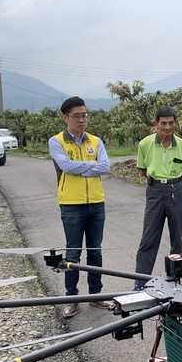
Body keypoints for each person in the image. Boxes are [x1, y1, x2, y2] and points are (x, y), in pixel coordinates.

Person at [49, 96, 111, 318]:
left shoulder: (95, 140)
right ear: (66, 118)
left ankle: (96, 294)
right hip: (71, 204)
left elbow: (105, 167)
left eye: (84, 115)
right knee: (73, 252)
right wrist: (90, 166)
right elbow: (65, 166)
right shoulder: (56, 141)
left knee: (95, 250)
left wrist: (81, 168)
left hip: (96, 202)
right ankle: (71, 297)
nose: (82, 120)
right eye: (77, 116)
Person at [133, 106, 182, 290]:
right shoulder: (145, 144)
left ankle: (175, 283)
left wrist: (171, 183)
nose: (167, 127)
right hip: (155, 191)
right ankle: (140, 284)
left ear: (175, 123)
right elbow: (143, 171)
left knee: (177, 239)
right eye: (163, 123)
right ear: (156, 124)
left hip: (176, 189)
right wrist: (160, 182)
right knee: (148, 239)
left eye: (171, 123)